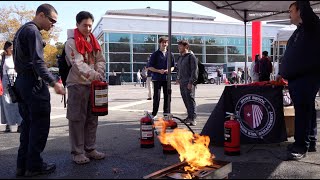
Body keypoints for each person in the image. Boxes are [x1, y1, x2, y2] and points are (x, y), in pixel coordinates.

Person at [13, 4, 65, 177]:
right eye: (52, 20)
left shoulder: (21, 31)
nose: (53, 25)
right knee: (39, 125)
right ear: (41, 15)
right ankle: (34, 165)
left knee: (27, 125)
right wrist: (54, 82)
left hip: (21, 82)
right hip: (33, 84)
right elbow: (38, 62)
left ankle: (22, 165)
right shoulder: (33, 31)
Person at [276, 1, 320, 161]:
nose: (289, 14)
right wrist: (283, 72)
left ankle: (301, 146)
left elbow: (307, 10)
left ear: (300, 11)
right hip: (297, 79)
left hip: (306, 78)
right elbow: (291, 54)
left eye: (291, 11)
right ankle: (310, 141)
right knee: (307, 111)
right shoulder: (299, 31)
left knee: (302, 111)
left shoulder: (312, 25)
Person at [64, 11, 106, 165]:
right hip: (77, 84)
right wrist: (95, 74)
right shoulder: (71, 42)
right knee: (77, 119)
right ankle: (77, 152)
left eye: (90, 25)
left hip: (92, 84)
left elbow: (101, 59)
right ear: (77, 25)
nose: (88, 28)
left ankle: (90, 148)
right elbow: (78, 64)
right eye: (84, 25)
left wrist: (99, 72)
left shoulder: (95, 41)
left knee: (92, 118)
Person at [148, 36, 175, 118]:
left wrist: (169, 70)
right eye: (163, 42)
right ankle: (154, 113)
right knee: (157, 96)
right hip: (157, 79)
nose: (165, 44)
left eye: (166, 42)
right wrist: (158, 71)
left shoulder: (170, 54)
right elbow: (150, 67)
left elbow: (173, 66)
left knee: (167, 96)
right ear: (160, 43)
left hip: (167, 79)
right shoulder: (155, 54)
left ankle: (166, 114)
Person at [0, 41, 23, 133]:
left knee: (17, 102)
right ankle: (8, 124)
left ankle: (20, 124)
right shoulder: (2, 57)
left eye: (13, 48)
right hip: (5, 81)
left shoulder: (16, 57)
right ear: (6, 48)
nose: (12, 49)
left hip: (16, 80)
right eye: (10, 48)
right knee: (6, 104)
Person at [176, 40, 198, 126]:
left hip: (189, 82)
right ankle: (189, 117)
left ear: (186, 47)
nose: (179, 48)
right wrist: (178, 78)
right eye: (178, 46)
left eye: (180, 46)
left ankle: (193, 118)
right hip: (182, 82)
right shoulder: (181, 57)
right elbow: (179, 69)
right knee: (186, 100)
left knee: (190, 100)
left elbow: (194, 70)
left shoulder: (191, 57)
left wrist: (191, 82)